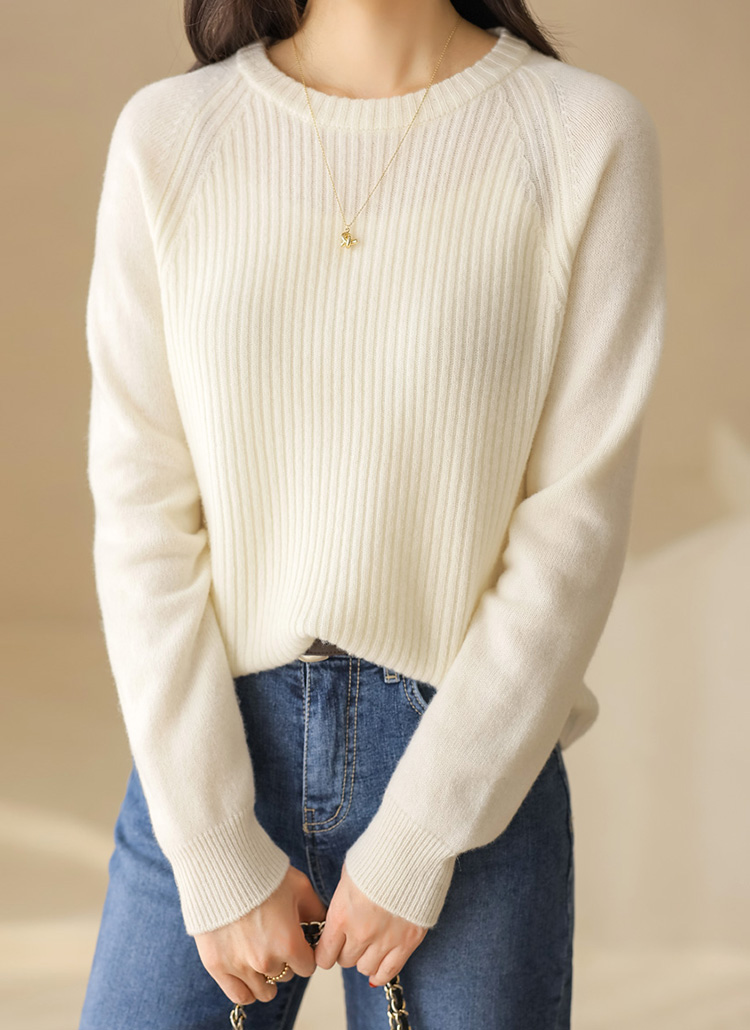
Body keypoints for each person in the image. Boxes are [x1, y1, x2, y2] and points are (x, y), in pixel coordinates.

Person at [78, 0, 667, 1027]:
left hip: (472, 770)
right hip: (210, 749)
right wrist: (212, 845)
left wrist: (422, 838)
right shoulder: (170, 135)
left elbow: (573, 528)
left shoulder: (585, 135)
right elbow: (140, 512)